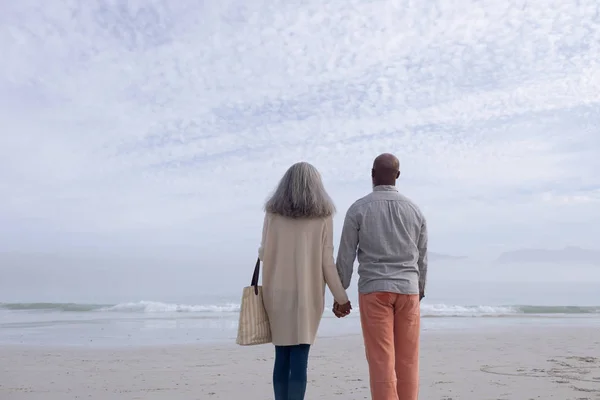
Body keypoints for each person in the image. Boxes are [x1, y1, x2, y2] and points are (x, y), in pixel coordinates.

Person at [334, 153, 428, 400]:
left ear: (372, 174)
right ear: (398, 176)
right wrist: (420, 288)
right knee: (408, 359)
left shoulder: (358, 209)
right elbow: (422, 256)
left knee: (381, 360)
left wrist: (339, 292)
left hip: (374, 289)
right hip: (408, 290)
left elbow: (346, 255)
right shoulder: (414, 211)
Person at [258, 161, 352, 400]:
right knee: (300, 357)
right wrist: (341, 298)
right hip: (307, 295)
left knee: (282, 356)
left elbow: (263, 253)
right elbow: (326, 262)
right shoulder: (323, 217)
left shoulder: (272, 214)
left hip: (276, 293)